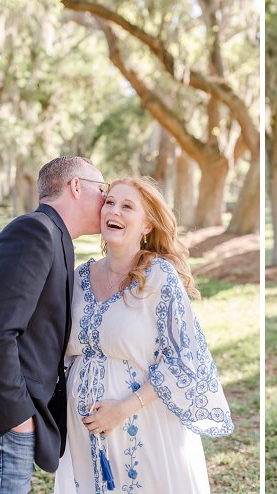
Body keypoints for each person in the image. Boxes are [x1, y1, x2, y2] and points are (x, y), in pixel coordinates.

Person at [0, 156, 106, 492]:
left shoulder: (54, 236)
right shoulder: (35, 232)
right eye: (102, 190)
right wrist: (17, 417)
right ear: (75, 186)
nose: (106, 200)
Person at [52, 177, 232, 493]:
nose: (114, 211)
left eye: (127, 206)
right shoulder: (79, 277)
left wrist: (123, 408)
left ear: (147, 225)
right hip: (82, 433)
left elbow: (181, 359)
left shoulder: (159, 277)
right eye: (109, 202)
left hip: (142, 423)